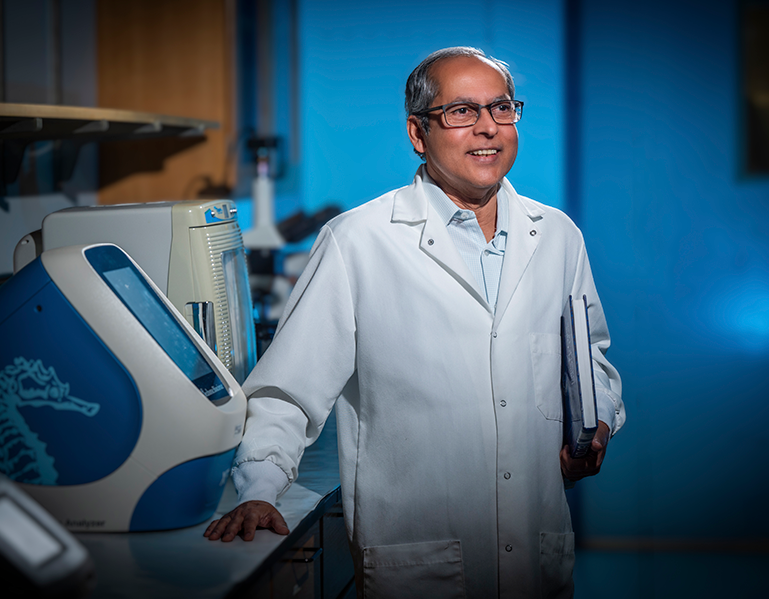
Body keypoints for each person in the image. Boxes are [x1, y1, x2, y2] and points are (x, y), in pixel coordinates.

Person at [205, 46, 624, 598]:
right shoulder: (359, 241)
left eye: (501, 109)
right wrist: (258, 488)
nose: (487, 129)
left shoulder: (557, 236)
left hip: (535, 562)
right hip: (417, 566)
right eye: (461, 112)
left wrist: (596, 423)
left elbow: (586, 357)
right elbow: (288, 390)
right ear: (418, 133)